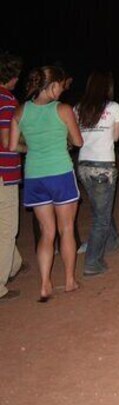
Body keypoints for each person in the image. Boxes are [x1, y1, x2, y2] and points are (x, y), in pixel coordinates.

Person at [10, 66, 83, 302]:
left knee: (47, 232)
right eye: (60, 85)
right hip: (60, 172)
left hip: (35, 175)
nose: (62, 90)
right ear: (51, 85)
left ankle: (44, 285)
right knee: (67, 229)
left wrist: (31, 147)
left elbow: (12, 147)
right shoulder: (63, 109)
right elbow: (78, 141)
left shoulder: (20, 111)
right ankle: (70, 281)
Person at [75, 71, 119, 277]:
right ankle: (92, 263)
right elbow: (116, 137)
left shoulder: (78, 108)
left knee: (99, 207)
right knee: (101, 218)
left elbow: (75, 137)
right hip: (103, 165)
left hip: (84, 164)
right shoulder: (113, 107)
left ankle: (111, 240)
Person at [0, 53, 25, 302]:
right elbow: (8, 142)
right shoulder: (7, 100)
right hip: (3, 171)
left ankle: (14, 263)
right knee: (8, 227)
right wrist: (29, 148)